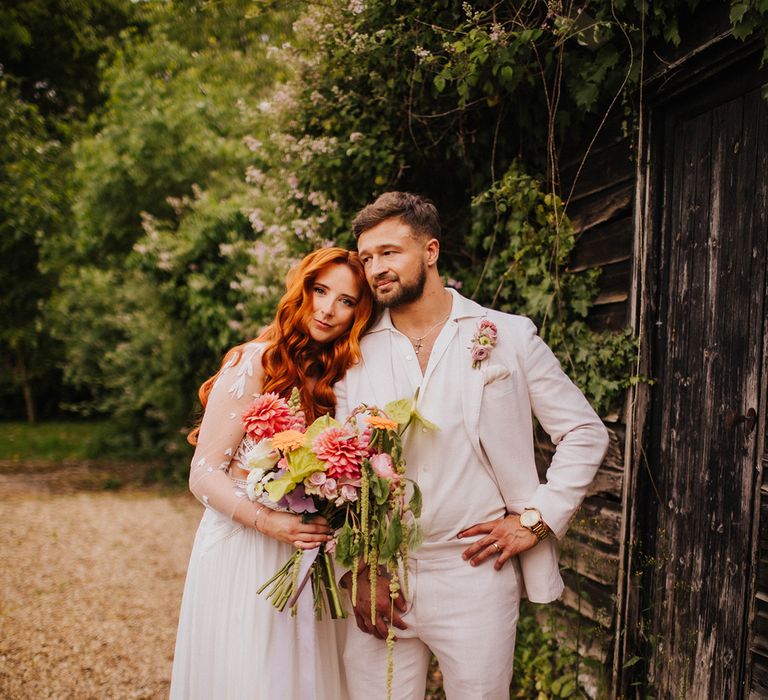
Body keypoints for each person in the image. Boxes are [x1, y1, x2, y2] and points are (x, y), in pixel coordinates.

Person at [335, 192, 609, 699]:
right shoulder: (354, 353)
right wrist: (358, 568)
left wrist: (536, 518)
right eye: (368, 258)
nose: (376, 269)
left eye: (390, 252)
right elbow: (341, 469)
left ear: (431, 251)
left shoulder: (508, 335)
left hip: (475, 574)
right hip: (384, 576)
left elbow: (584, 432)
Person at [170, 247, 374, 700]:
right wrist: (270, 521)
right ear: (301, 291)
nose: (327, 309)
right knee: (251, 678)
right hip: (244, 550)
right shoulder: (255, 362)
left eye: (346, 300)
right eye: (320, 291)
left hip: (306, 556)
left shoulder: (345, 377)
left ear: (359, 314)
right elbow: (203, 474)